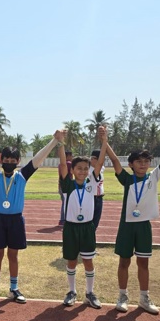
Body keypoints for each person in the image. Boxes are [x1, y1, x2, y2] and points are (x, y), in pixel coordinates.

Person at [0, 124, 62, 304]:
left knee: (13, 255)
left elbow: (39, 158)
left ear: (18, 161)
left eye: (12, 159)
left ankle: (14, 288)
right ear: (1, 160)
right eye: (6, 158)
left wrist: (54, 141)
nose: (9, 162)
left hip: (16, 220)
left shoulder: (22, 175)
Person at [106, 125, 160, 314]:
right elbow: (115, 160)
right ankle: (122, 296)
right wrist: (104, 142)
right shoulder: (126, 179)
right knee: (124, 262)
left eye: (146, 161)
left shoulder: (153, 177)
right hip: (126, 226)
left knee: (143, 263)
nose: (143, 164)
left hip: (143, 227)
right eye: (138, 161)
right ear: (131, 164)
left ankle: (144, 297)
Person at [58, 128, 107, 308]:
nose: (83, 171)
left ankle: (90, 292)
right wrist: (60, 142)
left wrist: (104, 141)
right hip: (71, 228)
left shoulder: (92, 182)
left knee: (88, 261)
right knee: (71, 261)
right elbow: (63, 164)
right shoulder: (68, 184)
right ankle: (72, 292)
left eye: (86, 168)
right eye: (79, 168)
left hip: (87, 228)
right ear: (73, 170)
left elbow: (100, 162)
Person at [89, 149, 105, 230]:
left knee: (95, 222)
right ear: (93, 159)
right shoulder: (89, 170)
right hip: (91, 197)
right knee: (90, 222)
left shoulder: (102, 169)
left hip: (99, 198)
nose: (102, 162)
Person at [58, 150, 73, 225]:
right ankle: (63, 219)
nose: (72, 157)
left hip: (61, 185)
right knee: (66, 203)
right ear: (68, 156)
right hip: (67, 186)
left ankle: (63, 219)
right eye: (71, 156)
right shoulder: (69, 164)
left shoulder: (60, 164)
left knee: (64, 202)